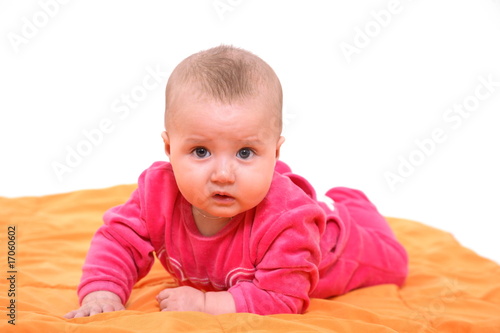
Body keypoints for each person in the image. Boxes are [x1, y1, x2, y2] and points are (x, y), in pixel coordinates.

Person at [64, 45, 408, 318]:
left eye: (245, 152)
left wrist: (205, 304)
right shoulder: (158, 192)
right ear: (169, 149)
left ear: (275, 152)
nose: (223, 174)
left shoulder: (289, 221)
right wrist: (103, 291)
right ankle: (335, 197)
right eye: (200, 151)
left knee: (394, 264)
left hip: (333, 248)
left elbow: (283, 298)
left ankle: (353, 207)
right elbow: (119, 242)